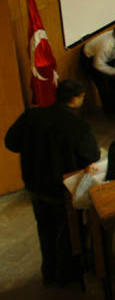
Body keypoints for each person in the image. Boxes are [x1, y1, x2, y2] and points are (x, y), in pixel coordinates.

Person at [5, 79, 100, 286]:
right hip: (62, 189)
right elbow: (91, 154)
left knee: (45, 229)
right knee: (67, 232)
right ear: (76, 99)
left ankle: (48, 271)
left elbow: (11, 142)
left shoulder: (32, 116)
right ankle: (66, 275)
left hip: (35, 184)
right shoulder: (78, 126)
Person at [81, 22, 115, 114]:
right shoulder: (106, 44)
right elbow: (98, 64)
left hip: (108, 56)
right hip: (91, 58)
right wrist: (114, 71)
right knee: (104, 86)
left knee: (114, 82)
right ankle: (110, 112)